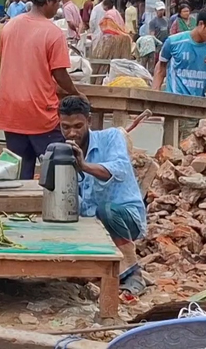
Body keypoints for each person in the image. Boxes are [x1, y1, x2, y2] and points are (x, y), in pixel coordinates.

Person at [0, 0, 84, 179]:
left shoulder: (9, 27)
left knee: (18, 173)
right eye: (58, 2)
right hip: (39, 112)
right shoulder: (52, 33)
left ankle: (18, 210)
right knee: (56, 171)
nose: (59, 7)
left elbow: (3, 65)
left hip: (10, 110)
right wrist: (76, 93)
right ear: (49, 2)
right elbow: (60, 74)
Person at [59, 95, 147, 295]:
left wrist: (84, 166)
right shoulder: (64, 150)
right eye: (65, 127)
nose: (72, 132)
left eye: (78, 126)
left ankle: (133, 273)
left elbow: (120, 169)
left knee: (106, 209)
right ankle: (95, 271)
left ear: (89, 121)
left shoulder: (112, 137)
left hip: (124, 218)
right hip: (92, 222)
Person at [152, 5, 206, 98]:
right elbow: (161, 66)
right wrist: (155, 91)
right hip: (173, 100)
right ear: (201, 24)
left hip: (199, 102)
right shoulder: (173, 42)